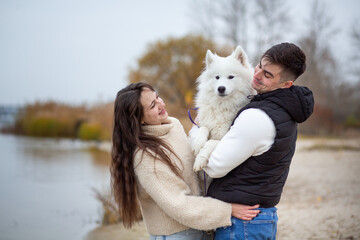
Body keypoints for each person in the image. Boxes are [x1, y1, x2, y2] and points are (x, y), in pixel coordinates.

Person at [110, 82, 260, 240]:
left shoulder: (173, 125)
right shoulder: (146, 156)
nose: (161, 104)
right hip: (176, 234)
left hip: (199, 227)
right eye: (153, 105)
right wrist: (227, 210)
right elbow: (178, 204)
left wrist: (204, 125)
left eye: (158, 97)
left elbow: (193, 167)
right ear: (138, 119)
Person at [197, 42, 314, 239]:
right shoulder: (282, 109)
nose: (257, 74)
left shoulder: (257, 117)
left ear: (286, 84)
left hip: (242, 225)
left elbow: (215, 166)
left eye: (268, 75)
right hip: (258, 219)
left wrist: (198, 130)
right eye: (260, 66)